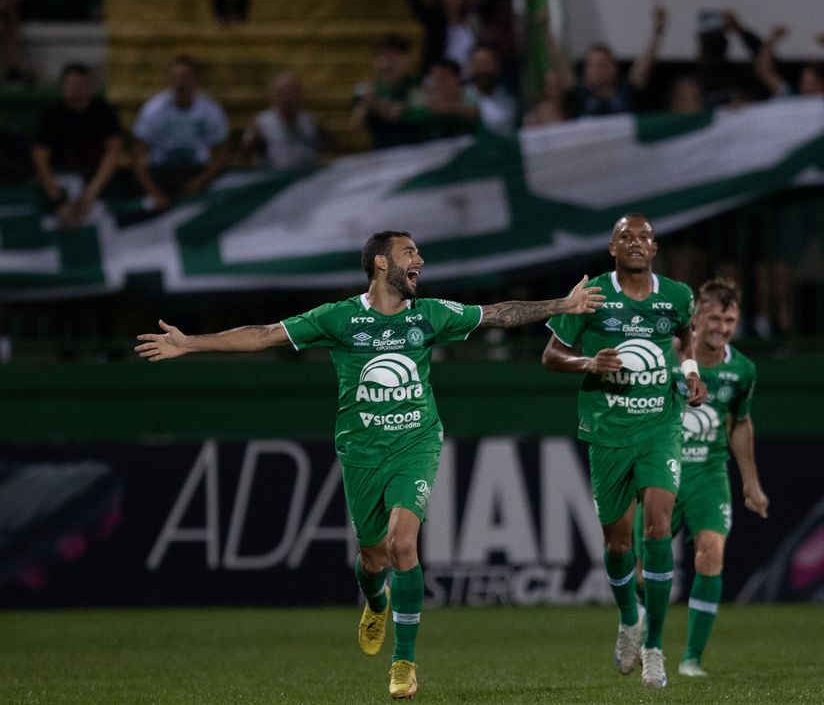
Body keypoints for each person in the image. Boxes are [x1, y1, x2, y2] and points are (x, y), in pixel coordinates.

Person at [134, 230, 605, 700]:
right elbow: (263, 336)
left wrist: (562, 306)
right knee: (372, 557)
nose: (419, 258)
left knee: (404, 545)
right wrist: (190, 343)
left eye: (418, 251)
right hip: (361, 451)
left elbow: (499, 315)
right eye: (409, 253)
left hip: (417, 443)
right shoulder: (339, 318)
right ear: (381, 264)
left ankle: (404, 663)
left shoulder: (432, 314)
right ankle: (375, 600)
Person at [542, 213, 706, 689]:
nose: (636, 243)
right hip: (609, 431)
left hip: (661, 425)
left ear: (654, 249)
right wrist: (588, 362)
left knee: (658, 526)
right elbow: (550, 356)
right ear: (612, 249)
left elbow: (683, 334)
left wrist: (691, 371)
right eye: (625, 237)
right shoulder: (590, 295)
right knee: (617, 544)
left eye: (645, 237)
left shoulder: (676, 295)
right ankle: (628, 618)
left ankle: (655, 646)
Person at [632, 278, 769, 678]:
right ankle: (639, 623)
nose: (721, 328)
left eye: (729, 320)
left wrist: (751, 483)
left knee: (711, 553)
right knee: (642, 568)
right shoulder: (665, 356)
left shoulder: (742, 370)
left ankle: (691, 658)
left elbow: (740, 424)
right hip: (663, 470)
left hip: (709, 474)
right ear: (695, 318)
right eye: (714, 318)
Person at [132, 56, 230, 212]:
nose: (180, 82)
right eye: (175, 77)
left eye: (185, 77)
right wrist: (153, 191)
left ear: (196, 80)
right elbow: (137, 154)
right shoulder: (153, 109)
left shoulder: (211, 111)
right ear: (169, 80)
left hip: (197, 171)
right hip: (161, 173)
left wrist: (201, 180)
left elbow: (221, 153)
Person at [30, 63, 123, 228]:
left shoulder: (103, 112)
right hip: (62, 177)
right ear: (63, 87)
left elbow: (113, 152)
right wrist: (57, 199)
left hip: (95, 178)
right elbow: (40, 159)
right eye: (71, 86)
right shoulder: (51, 115)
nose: (76, 91)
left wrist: (91, 193)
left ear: (90, 87)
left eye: (80, 85)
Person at [240, 70, 334, 169]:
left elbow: (332, 150)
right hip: (275, 178)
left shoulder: (311, 121)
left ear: (300, 95)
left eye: (291, 93)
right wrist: (251, 134)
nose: (287, 99)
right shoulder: (261, 122)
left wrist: (324, 131)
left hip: (306, 178)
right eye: (281, 93)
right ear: (272, 96)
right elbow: (244, 155)